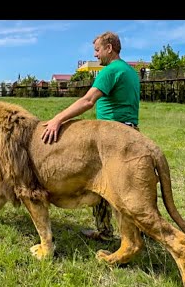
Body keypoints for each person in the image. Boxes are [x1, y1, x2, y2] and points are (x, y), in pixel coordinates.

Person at [41, 31, 141, 241]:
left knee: (110, 186)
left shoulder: (110, 71)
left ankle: (128, 234)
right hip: (131, 132)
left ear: (109, 48)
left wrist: (58, 119)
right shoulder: (130, 71)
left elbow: (88, 101)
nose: (95, 55)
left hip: (113, 139)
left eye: (97, 50)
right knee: (118, 185)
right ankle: (109, 230)